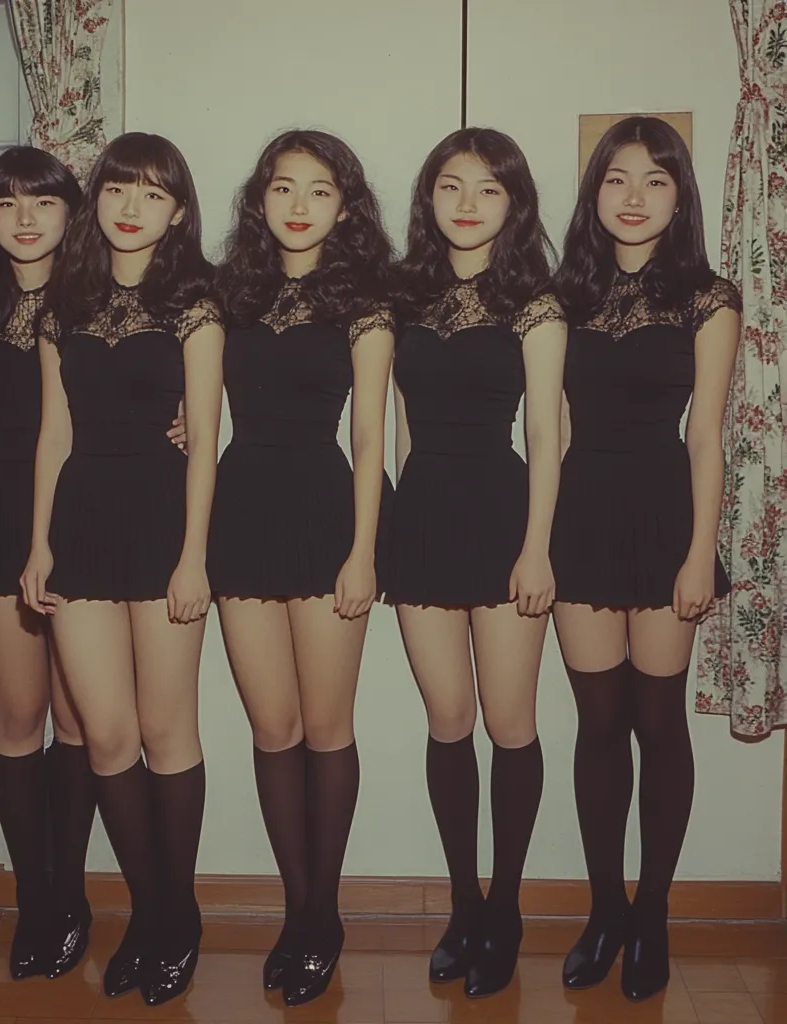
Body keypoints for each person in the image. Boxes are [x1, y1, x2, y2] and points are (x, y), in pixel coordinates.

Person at [21, 132, 223, 1007]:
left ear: (177, 211)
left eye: (151, 192)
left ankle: (176, 918)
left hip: (162, 527)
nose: (130, 205)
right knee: (105, 737)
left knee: (167, 733)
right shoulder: (61, 301)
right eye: (116, 189)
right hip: (80, 528)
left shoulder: (197, 306)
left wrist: (194, 559)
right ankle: (152, 913)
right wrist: (37, 545)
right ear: (96, 200)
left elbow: (206, 443)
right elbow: (52, 435)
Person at [551, 115, 741, 1002]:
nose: (633, 197)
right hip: (581, 515)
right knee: (597, 726)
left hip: (668, 518)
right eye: (616, 179)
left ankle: (654, 909)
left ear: (680, 195)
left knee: (659, 724)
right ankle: (604, 908)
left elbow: (706, 436)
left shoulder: (710, 298)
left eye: (655, 180)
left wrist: (700, 554)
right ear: (594, 193)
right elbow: (536, 418)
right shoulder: (563, 296)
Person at [208, 129, 394, 1006]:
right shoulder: (226, 294)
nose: (298, 205)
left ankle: (324, 913)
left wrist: (364, 550)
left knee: (327, 726)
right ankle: (296, 909)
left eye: (319, 191)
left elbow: (368, 436)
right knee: (272, 728)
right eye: (284, 187)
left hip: (327, 513)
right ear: (261, 198)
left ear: (344, 206)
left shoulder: (364, 302)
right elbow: (198, 403)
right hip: (240, 509)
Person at [389, 127, 565, 998]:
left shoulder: (536, 303)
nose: (466, 202)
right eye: (450, 186)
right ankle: (463, 902)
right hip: (420, 518)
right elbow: (396, 423)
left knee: (509, 723)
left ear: (513, 203)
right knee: (448, 720)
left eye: (487, 188)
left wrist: (538, 548)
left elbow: (546, 434)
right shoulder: (403, 297)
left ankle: (508, 904)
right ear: (428, 200)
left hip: (504, 516)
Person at [0, 146, 96, 981]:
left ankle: (73, 892)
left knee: (79, 718)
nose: (24, 218)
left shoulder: (94, 302)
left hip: (78, 516)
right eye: (7, 204)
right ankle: (37, 897)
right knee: (17, 714)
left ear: (69, 215)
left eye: (42, 203)